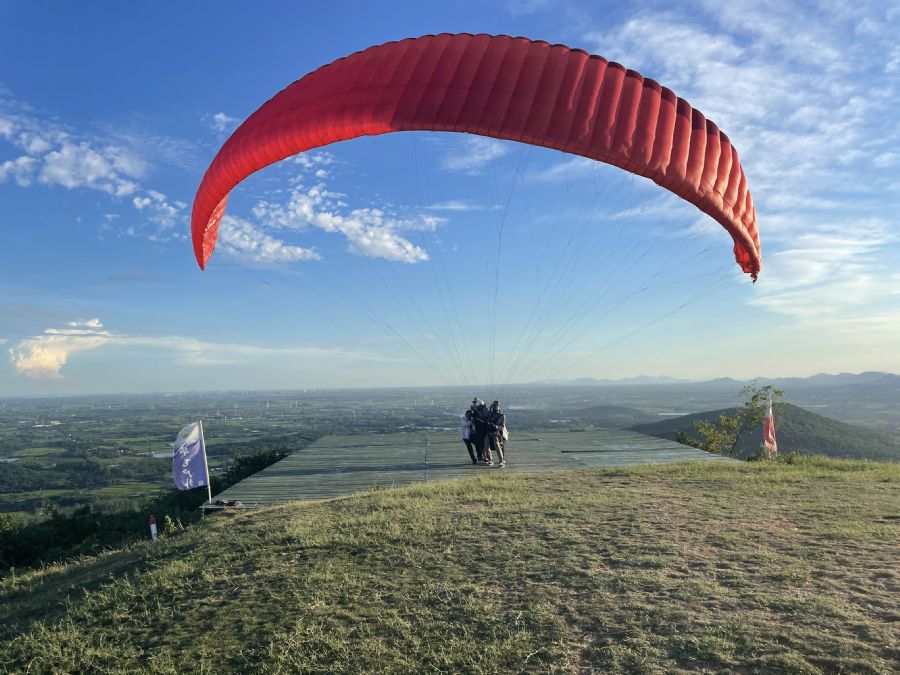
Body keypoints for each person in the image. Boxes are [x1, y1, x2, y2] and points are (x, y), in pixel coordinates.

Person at [485, 400, 507, 468]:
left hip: (496, 433)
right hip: (489, 432)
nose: (496, 407)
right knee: (486, 447)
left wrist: (495, 426)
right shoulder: (489, 414)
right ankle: (490, 460)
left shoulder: (502, 416)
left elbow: (502, 427)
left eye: (497, 406)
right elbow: (485, 417)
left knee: (497, 446)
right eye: (495, 406)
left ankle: (501, 461)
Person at [470, 399, 491, 465]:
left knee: (485, 446)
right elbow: (473, 421)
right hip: (479, 430)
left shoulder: (486, 411)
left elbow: (489, 419)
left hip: (485, 430)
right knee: (481, 445)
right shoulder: (475, 412)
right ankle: (485, 457)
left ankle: (488, 458)